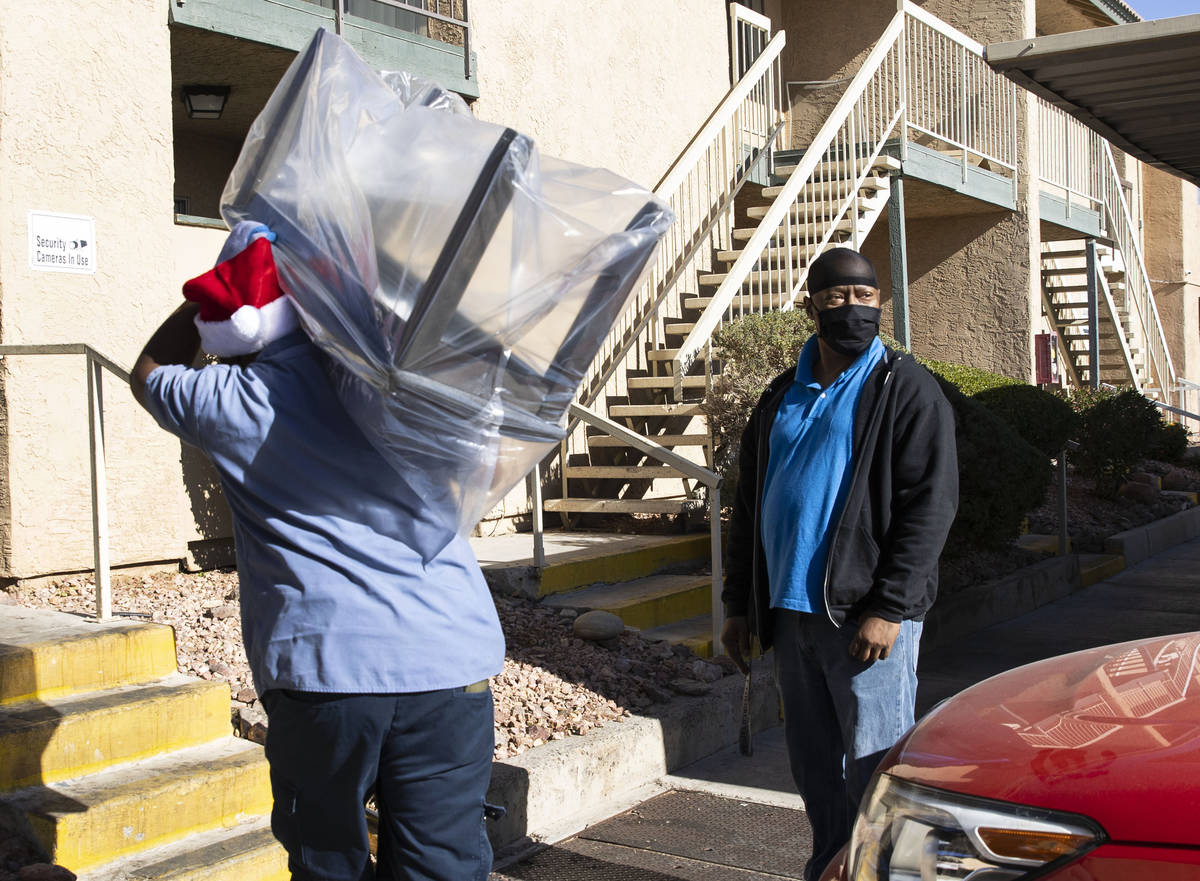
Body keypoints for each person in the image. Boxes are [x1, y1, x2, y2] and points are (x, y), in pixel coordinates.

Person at [131, 222, 505, 881]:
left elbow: (149, 373)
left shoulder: (235, 400)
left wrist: (209, 300)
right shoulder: (405, 383)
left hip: (324, 672)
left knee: (327, 861)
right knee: (444, 865)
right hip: (451, 658)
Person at [720, 247, 958, 881]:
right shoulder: (779, 396)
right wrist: (738, 606)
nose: (852, 309)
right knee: (816, 768)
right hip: (790, 615)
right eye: (836, 298)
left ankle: (882, 875)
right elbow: (748, 508)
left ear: (880, 303)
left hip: (862, 618)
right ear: (812, 306)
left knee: (877, 769)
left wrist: (890, 607)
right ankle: (829, 867)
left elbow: (929, 506)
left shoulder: (903, 387)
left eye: (865, 297)